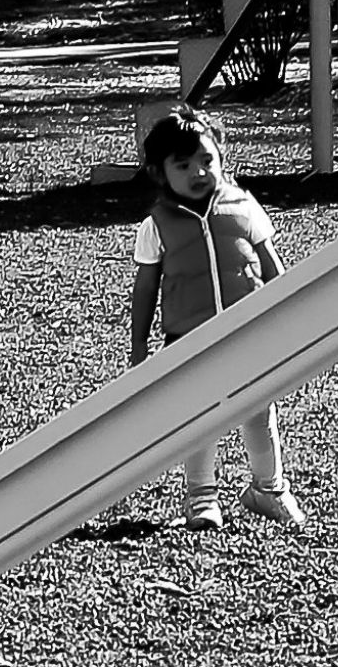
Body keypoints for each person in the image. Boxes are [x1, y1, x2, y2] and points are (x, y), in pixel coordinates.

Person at [128, 105, 308, 532]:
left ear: (222, 158)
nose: (198, 172)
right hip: (189, 338)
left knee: (259, 411)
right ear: (159, 173)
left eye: (207, 160)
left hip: (248, 335)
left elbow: (272, 266)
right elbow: (145, 290)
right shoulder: (157, 225)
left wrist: (290, 316)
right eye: (183, 165)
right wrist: (139, 345)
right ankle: (201, 496)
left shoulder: (244, 207)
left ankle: (269, 488)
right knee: (200, 417)